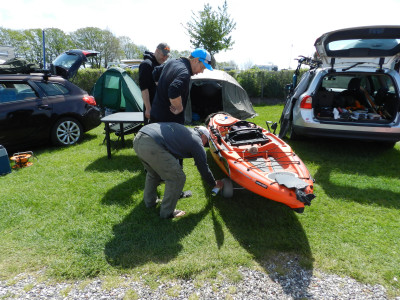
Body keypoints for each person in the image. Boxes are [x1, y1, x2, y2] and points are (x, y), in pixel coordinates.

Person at [133, 122, 223, 218]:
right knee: (177, 178)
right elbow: (203, 167)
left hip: (139, 137)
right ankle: (167, 212)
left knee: (153, 173)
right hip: (152, 143)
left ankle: (150, 202)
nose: (204, 144)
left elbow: (175, 154)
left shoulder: (186, 132)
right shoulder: (196, 140)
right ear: (203, 135)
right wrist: (214, 184)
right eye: (206, 141)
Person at [150, 48, 213, 124]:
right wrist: (179, 107)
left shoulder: (172, 62)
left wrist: (160, 86)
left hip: (155, 116)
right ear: (196, 60)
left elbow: (156, 72)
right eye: (202, 68)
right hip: (168, 123)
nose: (202, 71)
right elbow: (174, 89)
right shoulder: (185, 73)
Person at [139, 43, 170, 124]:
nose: (165, 58)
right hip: (152, 108)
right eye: (163, 55)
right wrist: (148, 108)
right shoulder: (146, 64)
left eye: (167, 56)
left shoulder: (161, 65)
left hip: (161, 107)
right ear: (157, 51)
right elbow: (144, 88)